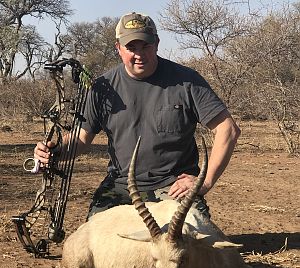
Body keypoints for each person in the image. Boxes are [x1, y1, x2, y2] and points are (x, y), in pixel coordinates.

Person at [34, 12, 240, 220]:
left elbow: (228, 129)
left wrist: (204, 182)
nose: (139, 54)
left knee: (189, 241)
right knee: (95, 239)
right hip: (121, 184)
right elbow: (80, 139)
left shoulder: (188, 81)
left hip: (173, 185)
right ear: (118, 49)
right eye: (131, 47)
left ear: (157, 44)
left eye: (146, 46)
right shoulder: (101, 87)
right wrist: (55, 151)